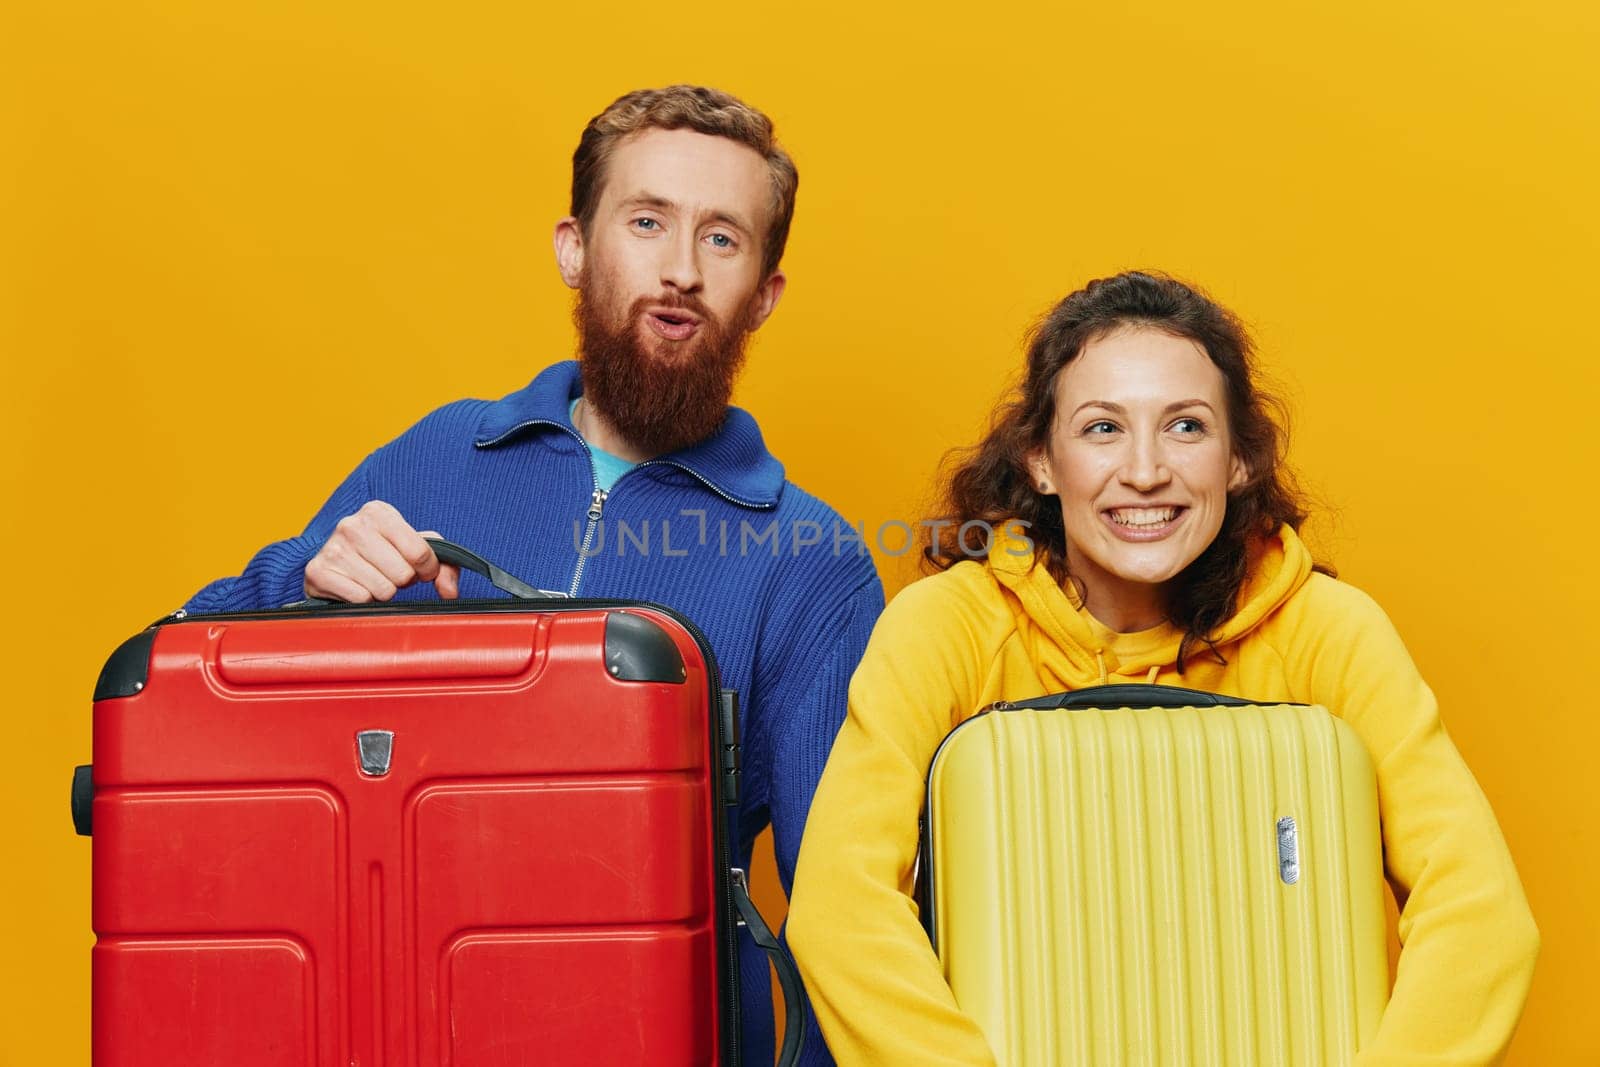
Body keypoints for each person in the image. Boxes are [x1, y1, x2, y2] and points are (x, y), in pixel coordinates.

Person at [183, 84, 883, 1065]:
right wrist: (300, 579)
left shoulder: (813, 560)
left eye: (722, 239)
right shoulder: (432, 458)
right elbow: (178, 699)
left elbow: (845, 926)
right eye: (647, 222)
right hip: (390, 1028)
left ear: (763, 291)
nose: (680, 269)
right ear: (574, 246)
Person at [786, 271, 1538, 1064]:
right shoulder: (948, 628)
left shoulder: (1327, 632)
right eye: (1103, 429)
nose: (1145, 470)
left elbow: (1479, 911)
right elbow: (842, 905)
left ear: (1240, 460)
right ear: (1042, 461)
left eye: (1185, 426)